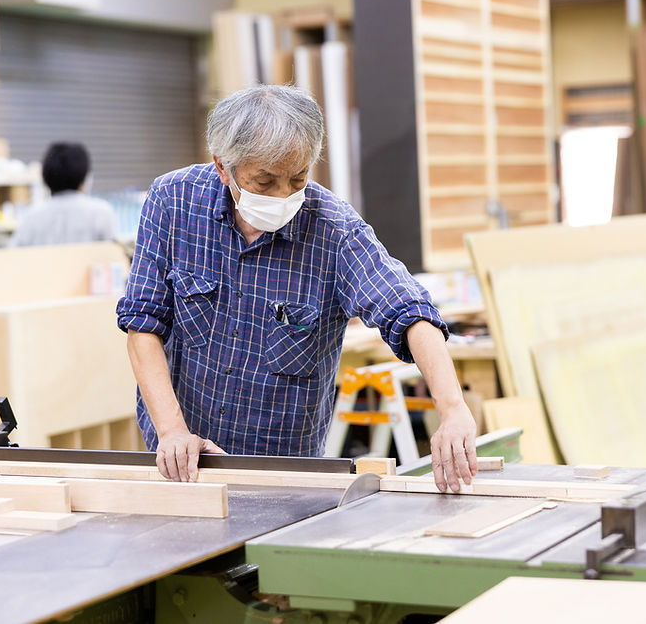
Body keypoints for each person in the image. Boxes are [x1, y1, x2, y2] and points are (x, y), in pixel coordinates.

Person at [116, 85, 477, 492]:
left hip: (284, 473)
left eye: (298, 179)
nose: (284, 195)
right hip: (180, 457)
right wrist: (173, 432)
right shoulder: (173, 202)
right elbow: (143, 324)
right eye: (265, 181)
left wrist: (452, 409)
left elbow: (408, 310)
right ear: (223, 166)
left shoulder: (334, 230)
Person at [10, 142, 117, 247]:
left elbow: (15, 255)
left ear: (46, 176)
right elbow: (113, 257)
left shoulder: (31, 216)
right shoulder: (101, 213)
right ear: (85, 176)